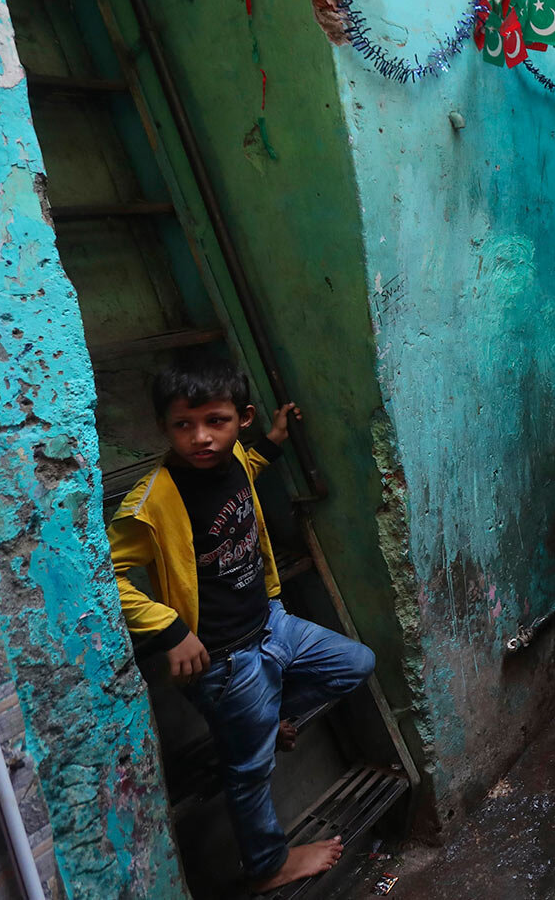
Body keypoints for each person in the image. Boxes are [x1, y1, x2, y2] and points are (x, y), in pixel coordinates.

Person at [108, 357, 375, 891]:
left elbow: (248, 469)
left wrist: (273, 442)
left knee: (356, 662)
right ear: (165, 427)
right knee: (249, 774)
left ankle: (265, 718)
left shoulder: (231, 462)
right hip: (225, 660)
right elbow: (104, 572)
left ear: (241, 418)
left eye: (216, 421)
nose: (201, 438)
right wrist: (169, 629)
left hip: (271, 624)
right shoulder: (154, 500)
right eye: (184, 425)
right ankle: (267, 865)